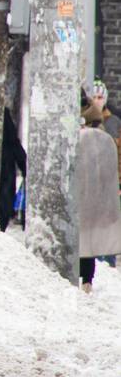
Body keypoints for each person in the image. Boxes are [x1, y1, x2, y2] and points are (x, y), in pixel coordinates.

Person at [77, 91, 121, 294]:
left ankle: (86, 280)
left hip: (86, 192)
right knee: (89, 238)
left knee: (86, 237)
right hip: (94, 194)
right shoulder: (101, 134)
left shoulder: (88, 134)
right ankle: (87, 280)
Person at [0, 107, 27, 233]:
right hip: (5, 169)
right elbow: (13, 141)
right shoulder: (2, 112)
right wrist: (24, 165)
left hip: (4, 167)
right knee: (3, 206)